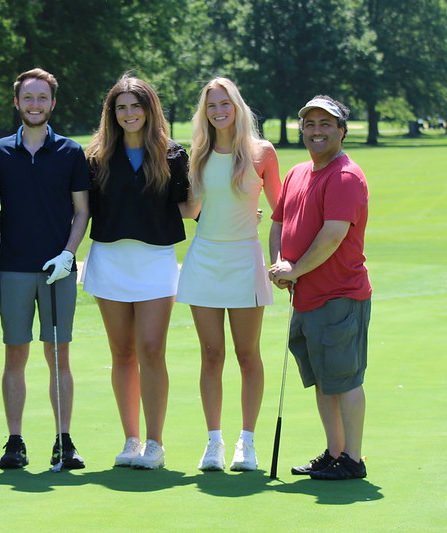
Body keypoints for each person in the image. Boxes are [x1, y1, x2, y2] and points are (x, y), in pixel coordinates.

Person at [0, 68, 90, 470]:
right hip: (12, 268)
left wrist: (68, 253)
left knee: (59, 356)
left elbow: (82, 211)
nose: (35, 104)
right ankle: (14, 442)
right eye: (28, 98)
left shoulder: (71, 152)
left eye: (42, 97)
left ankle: (64, 441)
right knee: (15, 355)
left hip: (58, 269)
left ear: (52, 103)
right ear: (16, 103)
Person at [82, 74, 192, 469]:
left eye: (136, 106)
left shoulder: (173, 154)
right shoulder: (95, 156)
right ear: (112, 113)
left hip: (155, 262)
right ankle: (130, 440)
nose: (129, 114)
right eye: (121, 107)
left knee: (151, 350)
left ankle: (155, 444)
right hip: (109, 260)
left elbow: (189, 207)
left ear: (150, 109)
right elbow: (83, 209)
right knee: (122, 352)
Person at [176, 78, 280, 472]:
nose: (219, 111)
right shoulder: (198, 154)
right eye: (211, 106)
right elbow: (192, 208)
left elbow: (281, 211)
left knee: (247, 353)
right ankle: (213, 443)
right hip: (204, 260)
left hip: (244, 259)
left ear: (237, 106)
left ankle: (247, 444)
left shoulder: (261, 153)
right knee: (211, 354)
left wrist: (282, 259)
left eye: (225, 104)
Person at [268, 95, 371, 480]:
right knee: (324, 380)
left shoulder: (344, 176)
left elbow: (332, 236)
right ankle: (335, 452)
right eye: (310, 124)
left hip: (339, 295)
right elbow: (278, 223)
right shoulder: (297, 173)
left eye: (326, 124)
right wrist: (280, 265)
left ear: (341, 132)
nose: (317, 131)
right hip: (307, 297)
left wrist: (293, 270)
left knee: (344, 380)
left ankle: (353, 460)